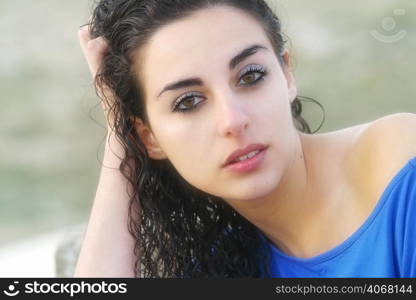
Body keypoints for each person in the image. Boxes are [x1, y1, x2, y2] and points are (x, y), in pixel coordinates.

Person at [74, 0, 416, 278]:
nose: (233, 121)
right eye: (188, 102)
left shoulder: (401, 167)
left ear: (286, 73)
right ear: (149, 138)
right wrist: (119, 138)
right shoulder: (223, 263)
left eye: (251, 76)